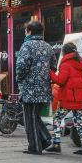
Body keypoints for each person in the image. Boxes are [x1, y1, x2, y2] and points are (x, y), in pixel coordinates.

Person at [16, 20, 55, 154]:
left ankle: (35, 147)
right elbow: (53, 67)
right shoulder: (48, 46)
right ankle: (45, 139)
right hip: (44, 88)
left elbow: (21, 67)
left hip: (29, 89)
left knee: (29, 119)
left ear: (29, 31)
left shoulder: (27, 46)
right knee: (35, 116)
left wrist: (19, 79)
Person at [50, 43, 82, 155]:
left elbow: (60, 80)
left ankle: (56, 144)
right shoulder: (79, 63)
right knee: (79, 122)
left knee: (57, 118)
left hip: (68, 98)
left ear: (64, 53)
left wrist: (50, 73)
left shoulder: (65, 64)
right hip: (79, 98)